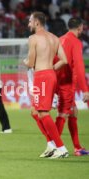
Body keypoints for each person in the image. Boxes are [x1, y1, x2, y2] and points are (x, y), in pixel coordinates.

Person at [23, 11, 69, 159]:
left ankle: (60, 147)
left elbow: (30, 63)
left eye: (30, 21)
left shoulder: (33, 38)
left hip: (41, 76)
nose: (28, 24)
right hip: (50, 75)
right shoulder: (55, 38)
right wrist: (51, 69)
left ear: (37, 22)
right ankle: (51, 144)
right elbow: (64, 60)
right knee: (35, 112)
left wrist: (25, 62)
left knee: (43, 113)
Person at [54, 17, 89, 156]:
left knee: (73, 112)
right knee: (63, 113)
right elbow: (79, 67)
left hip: (57, 80)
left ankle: (77, 147)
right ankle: (54, 147)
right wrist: (85, 89)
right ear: (80, 28)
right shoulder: (75, 42)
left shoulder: (59, 39)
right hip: (67, 83)